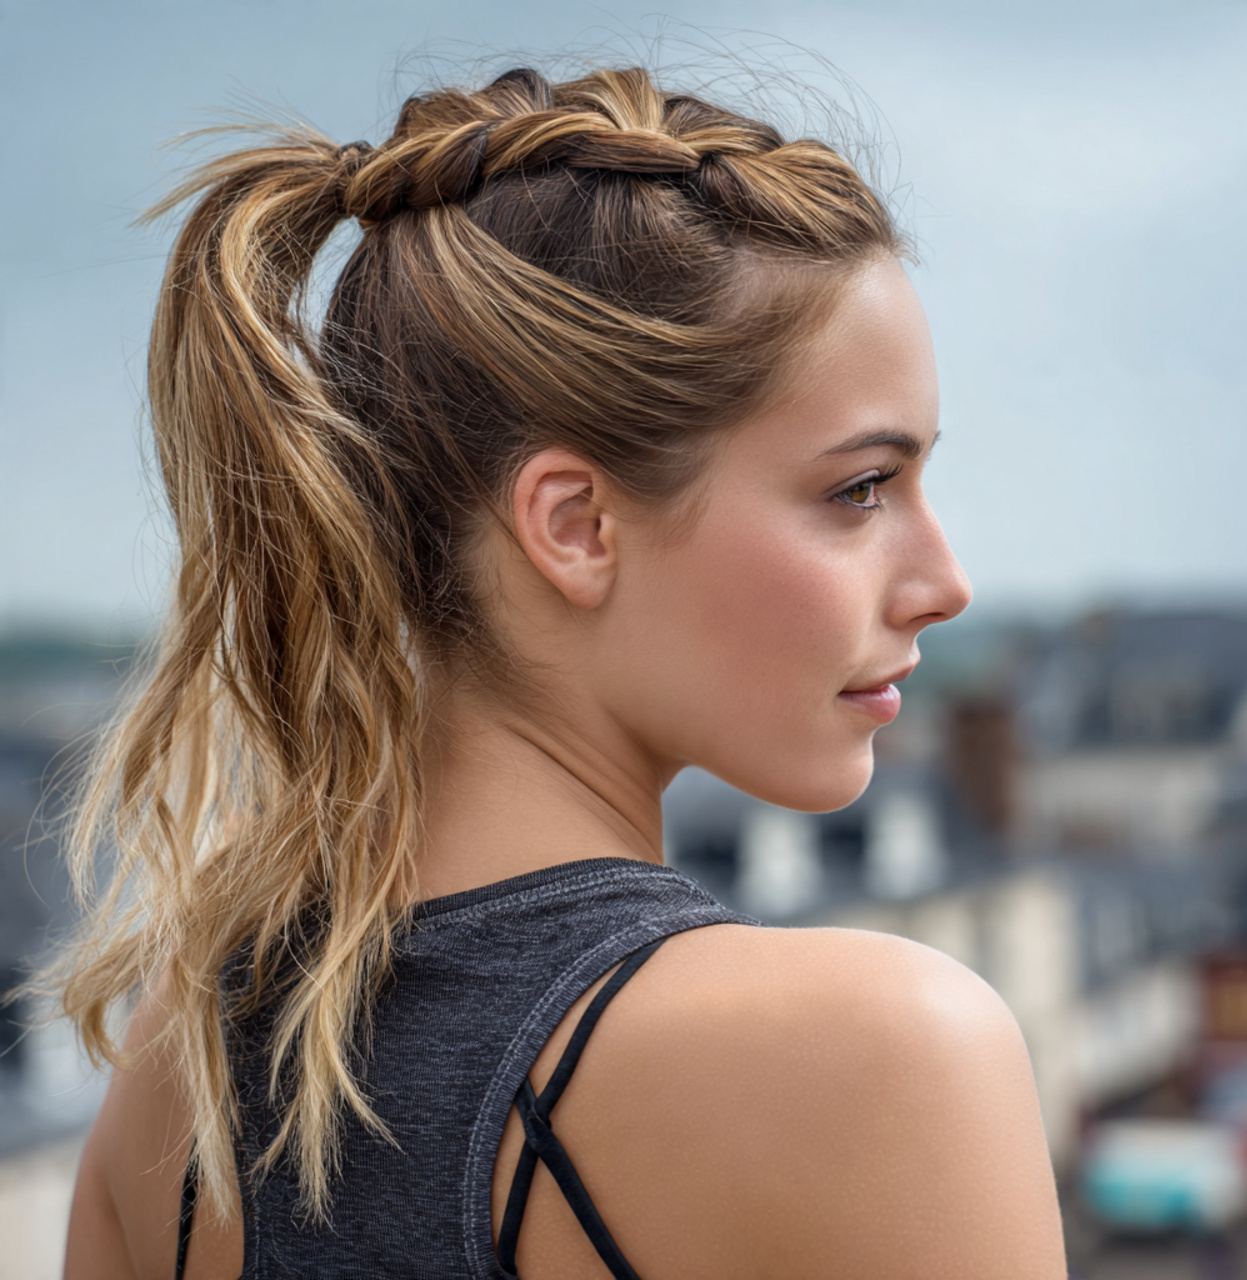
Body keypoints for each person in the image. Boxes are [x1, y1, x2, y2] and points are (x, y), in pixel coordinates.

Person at [55, 65, 1067, 1280]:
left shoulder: (181, 1075)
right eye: (857, 488)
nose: (944, 579)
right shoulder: (886, 1056)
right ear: (575, 524)